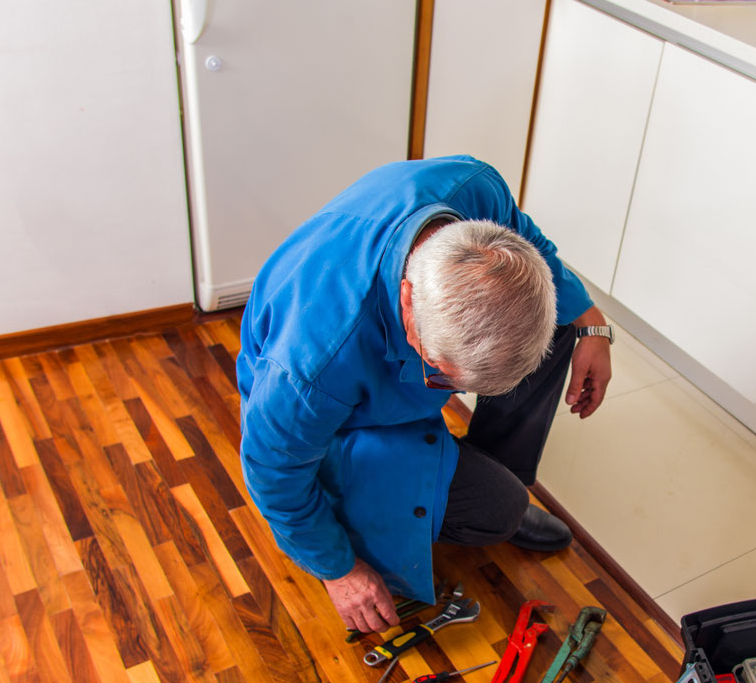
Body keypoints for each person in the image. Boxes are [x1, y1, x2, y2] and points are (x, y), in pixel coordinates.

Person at [236, 156, 614, 635]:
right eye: (440, 377)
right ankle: (459, 494)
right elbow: (273, 474)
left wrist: (592, 324)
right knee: (495, 513)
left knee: (558, 320)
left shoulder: (473, 192)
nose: (452, 395)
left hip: (370, 357)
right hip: (341, 417)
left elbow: (529, 245)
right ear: (409, 299)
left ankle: (498, 474)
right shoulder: (311, 367)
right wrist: (340, 571)